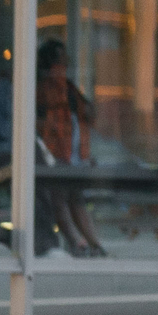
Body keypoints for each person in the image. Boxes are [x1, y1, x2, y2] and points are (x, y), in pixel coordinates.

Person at [35, 39, 106, 257]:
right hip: (56, 155)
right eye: (60, 63)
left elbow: (88, 115)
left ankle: (93, 243)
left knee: (76, 197)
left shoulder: (69, 89)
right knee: (60, 198)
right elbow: (45, 124)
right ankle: (78, 241)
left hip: (73, 155)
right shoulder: (45, 90)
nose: (63, 68)